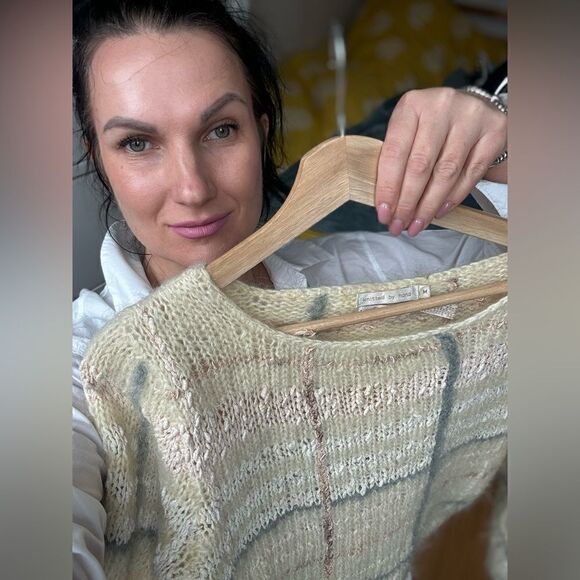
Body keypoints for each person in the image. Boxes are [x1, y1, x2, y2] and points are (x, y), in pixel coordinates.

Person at [72, 1, 507, 578]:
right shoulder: (79, 362)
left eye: (221, 130)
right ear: (100, 159)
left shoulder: (376, 278)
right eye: (136, 143)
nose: (192, 187)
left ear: (261, 132)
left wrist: (504, 134)